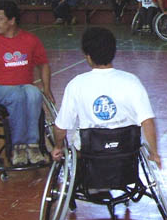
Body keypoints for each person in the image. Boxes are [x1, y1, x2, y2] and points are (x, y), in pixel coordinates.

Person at [50, 27, 161, 166]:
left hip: (90, 155)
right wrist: (155, 153)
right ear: (113, 52)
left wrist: (58, 147)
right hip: (125, 155)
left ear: (88, 56)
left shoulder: (76, 84)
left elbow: (61, 128)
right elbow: (147, 121)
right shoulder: (132, 81)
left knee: (78, 145)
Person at [0, 1, 53, 166]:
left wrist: (46, 88)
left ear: (12, 20)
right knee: (18, 95)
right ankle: (17, 147)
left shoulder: (30, 40)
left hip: (24, 87)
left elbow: (43, 64)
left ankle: (33, 146)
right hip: (1, 88)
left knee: (33, 94)